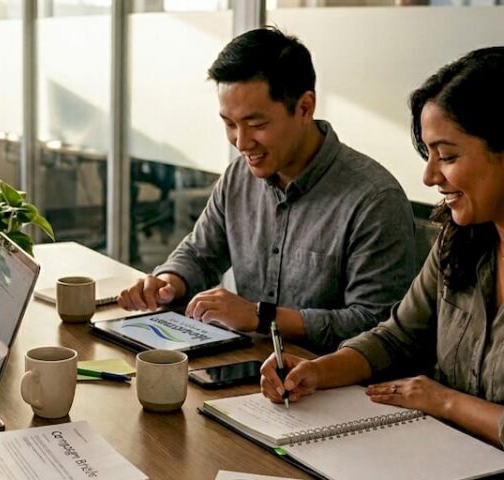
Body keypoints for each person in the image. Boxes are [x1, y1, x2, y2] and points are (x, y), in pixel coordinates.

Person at [261, 46, 504, 477]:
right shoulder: (464, 236)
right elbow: (398, 337)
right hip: (457, 461)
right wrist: (318, 371)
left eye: (448, 156)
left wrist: (444, 401)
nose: (430, 176)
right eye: (429, 155)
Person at [117, 27, 418, 353]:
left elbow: (376, 325)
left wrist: (263, 317)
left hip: (329, 377)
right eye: (229, 124)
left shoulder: (374, 199)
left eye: (257, 125)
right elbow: (199, 255)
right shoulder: (238, 177)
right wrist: (167, 283)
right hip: (249, 364)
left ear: (305, 108)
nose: (241, 142)